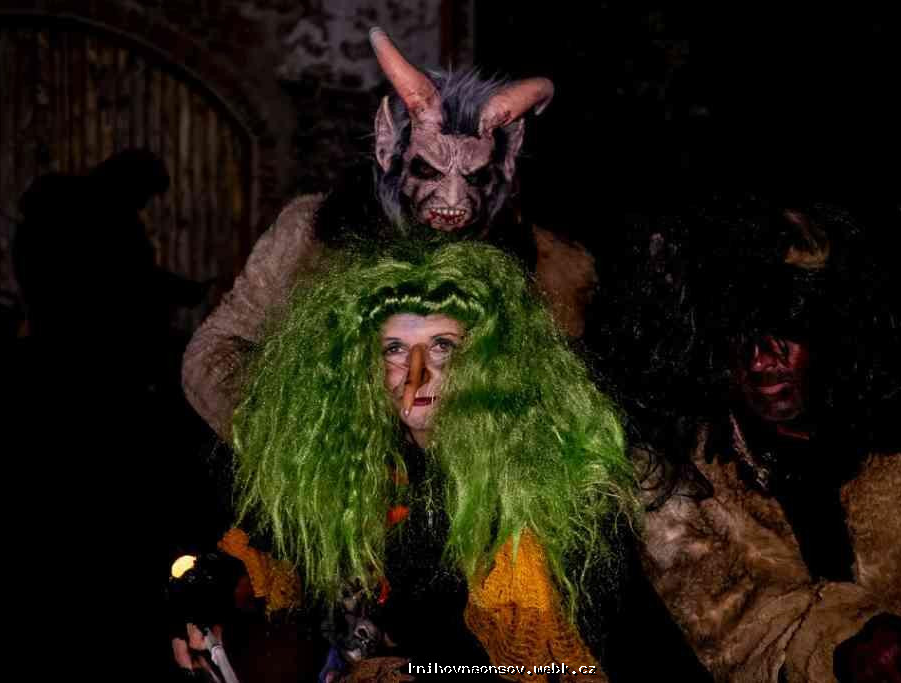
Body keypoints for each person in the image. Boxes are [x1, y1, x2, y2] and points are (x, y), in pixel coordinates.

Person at [594, 198, 901, 682]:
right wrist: (836, 643)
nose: (759, 360)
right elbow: (725, 625)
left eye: (784, 327)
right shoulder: (676, 478)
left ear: (834, 320)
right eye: (737, 334)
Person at [222, 241, 638, 682]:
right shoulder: (357, 463)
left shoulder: (537, 487)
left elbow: (556, 663)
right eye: (395, 349)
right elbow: (265, 556)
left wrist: (410, 669)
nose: (417, 374)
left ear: (486, 361)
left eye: (441, 346)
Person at [183, 28, 596, 442]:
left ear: (506, 160)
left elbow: (568, 404)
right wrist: (294, 439)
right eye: (428, 169)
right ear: (386, 146)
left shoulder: (550, 265)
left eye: (473, 175)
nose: (453, 196)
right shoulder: (309, 234)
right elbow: (212, 353)